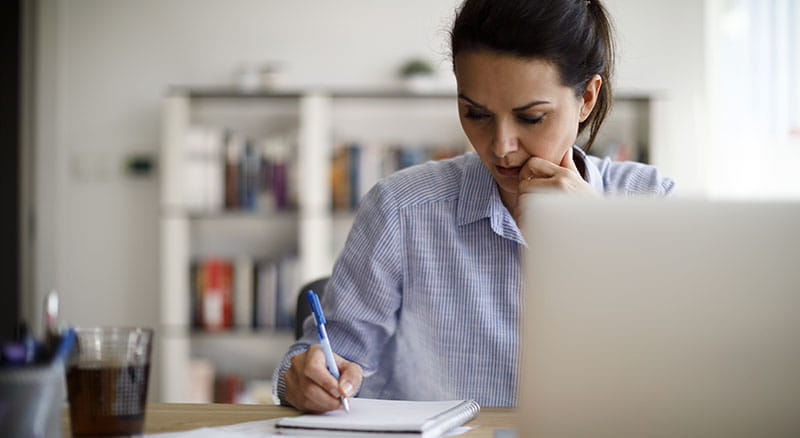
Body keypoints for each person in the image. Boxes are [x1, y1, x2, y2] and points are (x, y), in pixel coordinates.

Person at [273, 0, 675, 413]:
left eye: (532, 118)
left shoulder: (650, 202)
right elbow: (322, 358)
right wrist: (304, 378)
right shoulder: (401, 209)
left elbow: (679, 375)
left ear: (587, 98)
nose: (501, 147)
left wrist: (600, 241)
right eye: (476, 114)